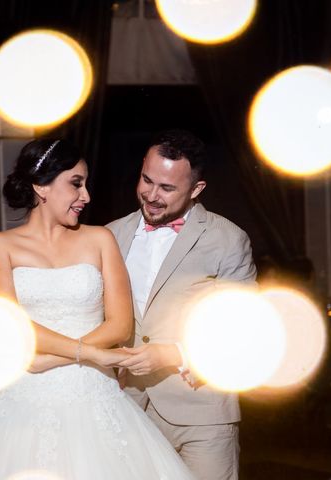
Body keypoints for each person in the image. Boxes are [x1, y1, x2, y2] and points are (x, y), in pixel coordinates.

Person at [0, 138, 195, 479]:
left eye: (86, 184)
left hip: (93, 393)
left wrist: (64, 357)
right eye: (76, 184)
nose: (86, 196)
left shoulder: (100, 238)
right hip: (23, 401)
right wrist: (91, 353)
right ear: (41, 186)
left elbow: (119, 325)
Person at [107, 129, 257, 480]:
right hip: (127, 409)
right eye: (147, 180)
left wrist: (175, 354)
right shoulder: (110, 235)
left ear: (196, 189)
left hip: (203, 415)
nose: (151, 195)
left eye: (167, 188)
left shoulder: (228, 240)